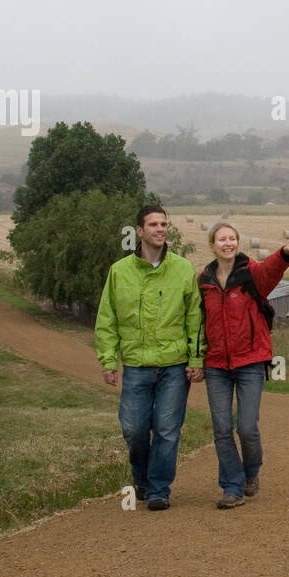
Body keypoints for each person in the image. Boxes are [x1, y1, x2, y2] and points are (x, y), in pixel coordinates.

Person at [94, 205, 205, 511]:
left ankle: (159, 489)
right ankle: (141, 480)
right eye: (153, 224)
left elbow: (195, 320)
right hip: (136, 366)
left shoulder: (182, 269)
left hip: (174, 365)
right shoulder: (119, 272)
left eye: (164, 224)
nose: (160, 229)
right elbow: (107, 318)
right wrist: (108, 360)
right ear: (139, 232)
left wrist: (196, 360)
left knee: (168, 429)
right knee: (134, 429)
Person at [199, 223, 289, 509]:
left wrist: (283, 253)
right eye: (222, 239)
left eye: (232, 238)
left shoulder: (252, 274)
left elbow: (271, 269)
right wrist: (197, 359)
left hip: (250, 361)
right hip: (217, 364)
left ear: (238, 243)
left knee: (246, 427)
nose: (228, 243)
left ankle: (252, 471)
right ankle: (232, 487)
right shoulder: (203, 281)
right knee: (221, 428)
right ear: (212, 245)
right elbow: (198, 324)